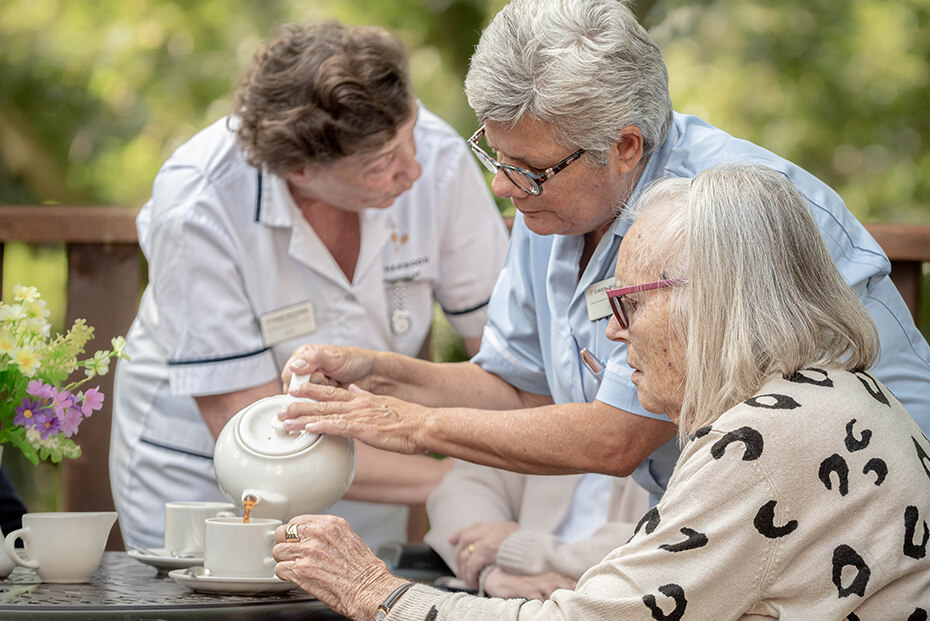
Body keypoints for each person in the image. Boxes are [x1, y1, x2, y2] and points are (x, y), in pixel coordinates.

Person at [276, 0, 930, 508]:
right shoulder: (557, 204)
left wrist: (411, 424)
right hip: (742, 509)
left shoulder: (715, 210)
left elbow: (617, 435)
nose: (503, 188)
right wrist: (378, 376)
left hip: (859, 508)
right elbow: (518, 388)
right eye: (495, 156)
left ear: (624, 146)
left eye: (527, 170)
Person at [272, 163, 930, 619]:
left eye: (627, 304)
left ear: (712, 301)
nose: (613, 335)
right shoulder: (823, 398)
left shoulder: (769, 434)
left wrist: (378, 595)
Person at [108, 20, 509, 552]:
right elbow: (251, 432)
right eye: (380, 165)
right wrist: (460, 484)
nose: (411, 170)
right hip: (212, 484)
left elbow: (506, 351)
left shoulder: (430, 154)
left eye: (409, 133)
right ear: (298, 169)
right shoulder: (198, 204)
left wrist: (507, 473)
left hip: (378, 487)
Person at [424, 461, 649, 599]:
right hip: (512, 597)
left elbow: (657, 544)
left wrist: (516, 549)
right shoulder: (555, 402)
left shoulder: (677, 437)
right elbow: (462, 486)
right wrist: (492, 574)